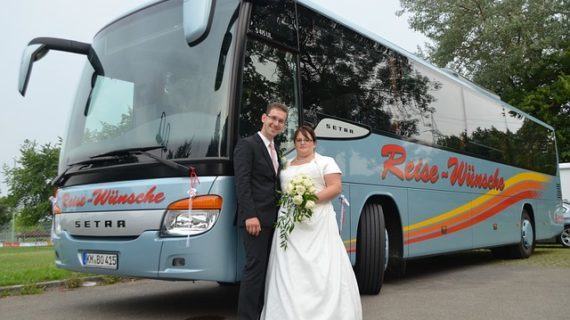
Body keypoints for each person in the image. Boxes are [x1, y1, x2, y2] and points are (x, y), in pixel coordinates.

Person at [261, 125, 362, 320]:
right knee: (289, 268)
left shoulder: (326, 162)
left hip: (318, 222)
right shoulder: (286, 165)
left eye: (306, 140)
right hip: (290, 224)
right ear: (295, 143)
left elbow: (335, 188)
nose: (302, 143)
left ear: (314, 143)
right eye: (299, 140)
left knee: (320, 267)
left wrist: (309, 200)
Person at [234, 102, 289, 320]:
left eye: (281, 121)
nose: (276, 123)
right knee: (254, 270)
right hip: (255, 219)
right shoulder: (248, 145)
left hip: (272, 219)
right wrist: (250, 215)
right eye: (273, 118)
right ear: (263, 118)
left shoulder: (276, 150)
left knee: (266, 270)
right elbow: (242, 183)